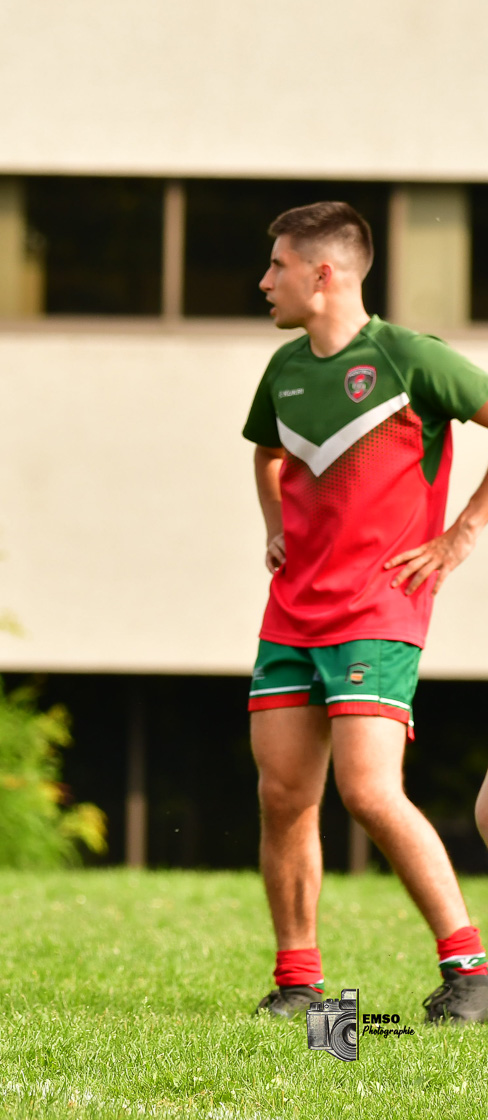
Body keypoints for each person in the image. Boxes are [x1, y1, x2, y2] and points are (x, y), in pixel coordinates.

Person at [244, 201, 488, 1024]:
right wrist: (276, 527)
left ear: (325, 273)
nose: (264, 280)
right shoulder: (283, 368)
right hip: (291, 615)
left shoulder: (409, 358)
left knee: (370, 792)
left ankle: (470, 971)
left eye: (276, 265)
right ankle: (298, 984)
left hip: (380, 608)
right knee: (283, 794)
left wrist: (460, 537)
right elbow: (267, 454)